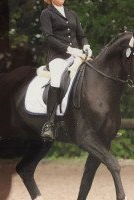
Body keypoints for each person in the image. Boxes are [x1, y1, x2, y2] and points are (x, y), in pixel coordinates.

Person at [40, 0, 92, 141]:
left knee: (91, 76)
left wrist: (86, 46)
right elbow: (49, 37)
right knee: (57, 80)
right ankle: (50, 123)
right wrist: (70, 50)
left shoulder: (71, 13)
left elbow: (81, 35)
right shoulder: (46, 13)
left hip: (77, 55)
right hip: (58, 56)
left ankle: (96, 121)